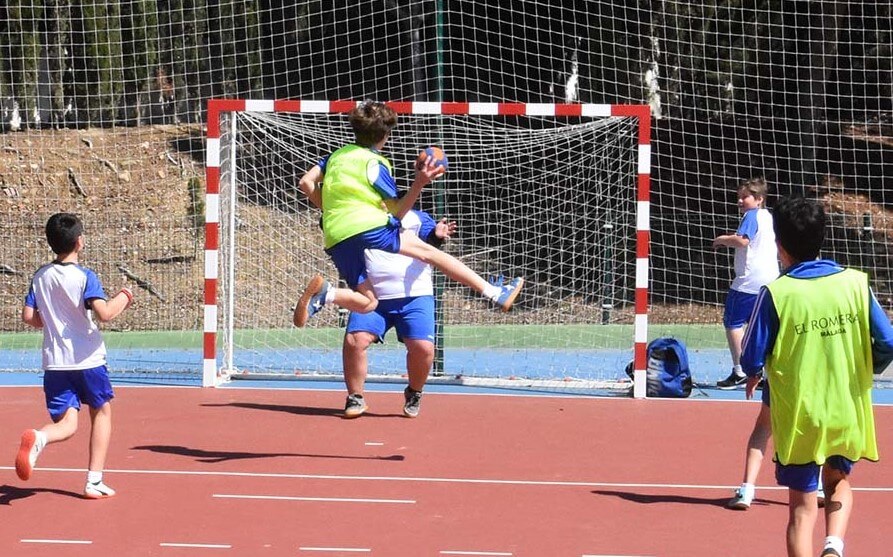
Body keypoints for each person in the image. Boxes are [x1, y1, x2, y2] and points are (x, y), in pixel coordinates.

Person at [739, 196, 893, 557]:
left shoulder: (777, 292)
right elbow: (887, 340)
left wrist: (753, 372)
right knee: (838, 480)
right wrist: (865, 369)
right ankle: (834, 546)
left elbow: (749, 354)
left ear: (780, 245)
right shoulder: (856, 283)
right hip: (846, 407)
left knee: (801, 510)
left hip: (801, 417)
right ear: (823, 236)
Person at [294, 100, 523, 327]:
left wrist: (332, 209)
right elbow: (397, 213)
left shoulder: (336, 156)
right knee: (430, 253)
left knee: (369, 302)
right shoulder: (375, 163)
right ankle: (494, 292)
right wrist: (420, 182)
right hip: (367, 226)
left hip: (335, 235)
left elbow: (306, 182)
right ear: (385, 136)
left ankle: (328, 294)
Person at [15, 212, 134, 499]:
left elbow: (29, 316)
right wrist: (126, 296)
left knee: (67, 424)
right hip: (88, 359)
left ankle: (41, 437)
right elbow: (104, 314)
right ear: (79, 242)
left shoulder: (40, 276)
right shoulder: (85, 277)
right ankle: (94, 480)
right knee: (102, 412)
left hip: (55, 363)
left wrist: (53, 320)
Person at [340, 208, 454, 419]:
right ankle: (355, 397)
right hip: (373, 296)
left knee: (423, 348)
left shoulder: (418, 218)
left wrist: (437, 236)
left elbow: (430, 245)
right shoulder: (361, 217)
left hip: (415, 296)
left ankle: (414, 391)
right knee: (355, 340)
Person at [713, 177, 779, 389]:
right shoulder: (769, 217)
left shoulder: (752, 216)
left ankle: (741, 370)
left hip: (749, 281)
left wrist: (722, 239)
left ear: (759, 199)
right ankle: (764, 372)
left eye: (745, 197)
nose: (740, 201)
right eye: (739, 198)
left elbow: (743, 241)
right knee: (760, 327)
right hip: (771, 280)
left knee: (732, 323)